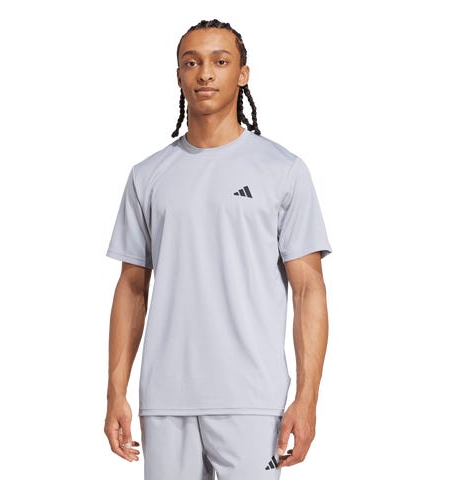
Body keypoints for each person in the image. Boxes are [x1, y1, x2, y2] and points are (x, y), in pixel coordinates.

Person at [103, 19, 332, 480]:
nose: (205, 73)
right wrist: (115, 393)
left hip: (253, 401)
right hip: (165, 399)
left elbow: (309, 290)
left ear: (242, 74)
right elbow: (131, 289)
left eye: (220, 61)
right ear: (179, 76)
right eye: (192, 63)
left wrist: (307, 399)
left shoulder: (282, 170)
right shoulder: (148, 175)